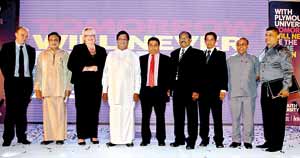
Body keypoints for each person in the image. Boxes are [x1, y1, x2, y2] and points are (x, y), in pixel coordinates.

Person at [67, 27, 107, 145]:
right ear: (83, 37)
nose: (90, 37)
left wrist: (98, 68)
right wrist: (86, 68)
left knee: (94, 109)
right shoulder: (78, 48)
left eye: (92, 35)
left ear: (95, 37)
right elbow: (70, 65)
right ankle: (81, 136)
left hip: (96, 85)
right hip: (81, 85)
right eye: (87, 35)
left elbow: (106, 66)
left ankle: (93, 135)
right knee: (82, 110)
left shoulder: (101, 50)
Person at [257, 26, 293, 152]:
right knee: (267, 116)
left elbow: (288, 71)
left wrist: (286, 88)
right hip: (265, 87)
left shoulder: (282, 51)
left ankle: (277, 144)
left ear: (278, 36)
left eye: (270, 35)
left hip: (278, 87)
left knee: (277, 117)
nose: (267, 37)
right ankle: (269, 141)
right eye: (266, 35)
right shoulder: (265, 50)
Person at [102, 31, 141, 147]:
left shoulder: (133, 56)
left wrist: (136, 91)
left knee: (128, 114)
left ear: (128, 41)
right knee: (114, 115)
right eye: (120, 39)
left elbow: (137, 75)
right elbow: (106, 74)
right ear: (117, 40)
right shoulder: (111, 55)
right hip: (114, 91)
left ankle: (128, 140)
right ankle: (114, 140)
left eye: (125, 39)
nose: (122, 41)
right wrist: (104, 90)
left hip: (129, 92)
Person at [0, 26, 36, 146]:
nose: (24, 37)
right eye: (22, 35)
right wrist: (10, 77)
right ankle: (7, 138)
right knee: (10, 111)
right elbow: (2, 64)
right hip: (12, 83)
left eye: (26, 36)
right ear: (16, 34)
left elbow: (30, 69)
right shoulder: (7, 47)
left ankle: (22, 137)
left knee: (22, 112)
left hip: (26, 84)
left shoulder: (31, 50)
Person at [34, 32, 72, 145]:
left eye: (56, 39)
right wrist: (37, 88)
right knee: (48, 114)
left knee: (60, 114)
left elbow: (69, 72)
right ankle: (49, 137)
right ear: (48, 41)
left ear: (59, 41)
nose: (54, 41)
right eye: (51, 39)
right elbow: (38, 72)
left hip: (60, 88)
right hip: (46, 88)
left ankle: (60, 137)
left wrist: (68, 87)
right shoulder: (42, 55)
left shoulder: (65, 54)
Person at [169, 31, 205, 150]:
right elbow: (171, 74)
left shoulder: (198, 53)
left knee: (192, 118)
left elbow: (200, 74)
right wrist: (170, 88)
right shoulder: (173, 53)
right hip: (177, 91)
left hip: (191, 91)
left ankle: (191, 141)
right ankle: (179, 139)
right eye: (181, 38)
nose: (183, 40)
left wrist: (196, 90)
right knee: (178, 116)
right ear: (178, 40)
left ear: (190, 40)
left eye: (185, 38)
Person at [227, 37, 259, 149]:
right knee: (235, 118)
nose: (241, 46)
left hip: (249, 94)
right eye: (239, 44)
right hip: (234, 93)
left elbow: (258, 76)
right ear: (236, 46)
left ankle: (248, 140)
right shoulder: (230, 60)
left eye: (243, 44)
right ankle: (236, 140)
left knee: (248, 119)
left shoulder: (254, 59)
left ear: (247, 46)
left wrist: (252, 87)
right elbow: (226, 77)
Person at [139, 37, 171, 147]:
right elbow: (138, 76)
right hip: (146, 91)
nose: (153, 47)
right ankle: (145, 139)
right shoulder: (141, 59)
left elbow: (169, 76)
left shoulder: (166, 59)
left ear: (159, 46)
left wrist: (168, 89)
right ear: (148, 47)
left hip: (160, 91)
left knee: (160, 117)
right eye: (150, 45)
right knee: (145, 117)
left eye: (155, 45)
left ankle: (161, 139)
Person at [198, 32, 228, 148]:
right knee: (203, 118)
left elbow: (223, 73)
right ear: (205, 41)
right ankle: (204, 139)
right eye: (207, 40)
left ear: (215, 41)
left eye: (212, 40)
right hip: (202, 93)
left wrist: (223, 90)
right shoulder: (200, 55)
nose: (209, 42)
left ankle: (219, 140)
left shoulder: (220, 54)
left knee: (217, 118)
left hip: (216, 93)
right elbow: (198, 75)